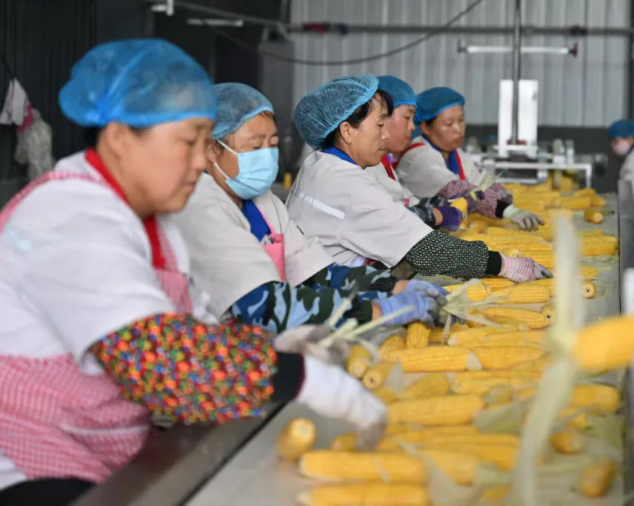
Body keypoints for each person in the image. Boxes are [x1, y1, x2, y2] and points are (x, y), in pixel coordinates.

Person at [0, 40, 386, 505]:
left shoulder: (154, 220)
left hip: (104, 451)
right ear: (120, 138)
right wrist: (301, 377)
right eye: (187, 143)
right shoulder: (69, 215)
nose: (201, 161)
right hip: (32, 466)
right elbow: (156, 358)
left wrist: (273, 350)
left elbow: (196, 328)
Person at [176, 82, 444, 332]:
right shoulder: (198, 207)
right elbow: (263, 305)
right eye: (255, 146)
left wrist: (393, 287)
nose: (266, 156)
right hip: (215, 349)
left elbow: (316, 272)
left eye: (272, 145)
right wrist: (377, 311)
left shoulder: (263, 202)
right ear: (211, 149)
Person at [286, 74, 550, 282]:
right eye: (379, 124)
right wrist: (504, 265)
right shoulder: (351, 187)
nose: (386, 134)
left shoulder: (318, 165)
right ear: (347, 131)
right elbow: (427, 251)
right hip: (334, 304)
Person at [394, 86, 543, 231]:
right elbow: (460, 190)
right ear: (425, 127)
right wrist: (508, 211)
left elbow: (482, 182)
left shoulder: (456, 154)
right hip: (416, 234)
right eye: (449, 123)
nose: (458, 129)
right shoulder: (418, 157)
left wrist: (504, 196)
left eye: (461, 120)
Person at [365, 75, 462, 231]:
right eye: (407, 117)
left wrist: (434, 207)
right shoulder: (362, 169)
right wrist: (436, 215)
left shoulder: (381, 163)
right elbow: (387, 221)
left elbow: (405, 200)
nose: (412, 127)